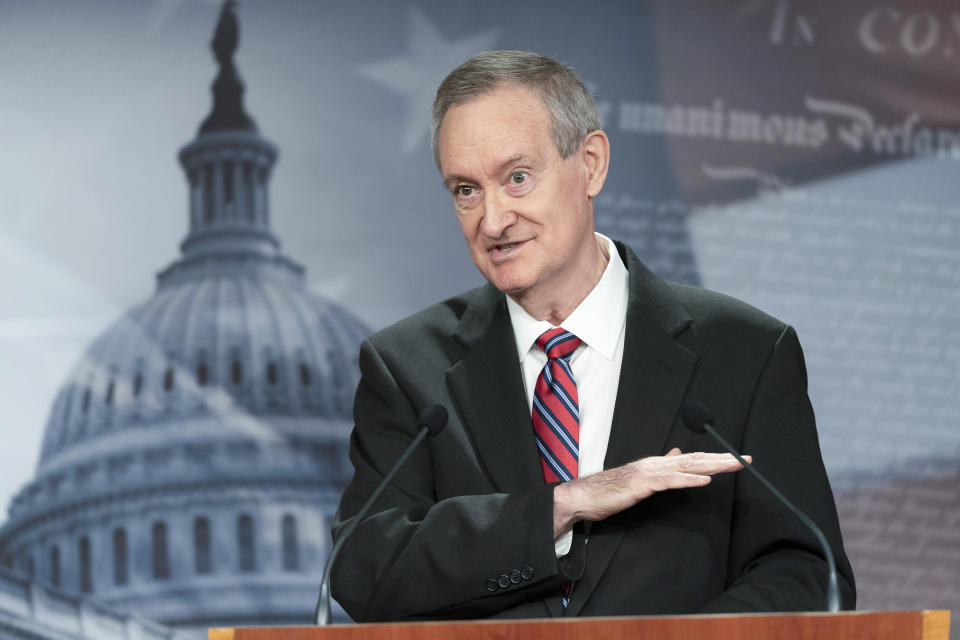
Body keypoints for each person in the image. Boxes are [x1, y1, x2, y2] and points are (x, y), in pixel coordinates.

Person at [330, 50, 855, 621]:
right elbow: (365, 571)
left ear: (591, 164)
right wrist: (560, 506)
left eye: (518, 178)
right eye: (465, 190)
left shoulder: (744, 351)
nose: (493, 219)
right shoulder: (408, 367)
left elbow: (806, 573)